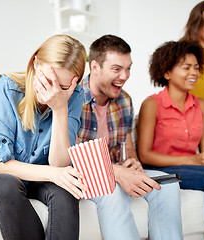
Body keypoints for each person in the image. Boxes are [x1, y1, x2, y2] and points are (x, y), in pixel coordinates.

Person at [0, 34, 88, 240]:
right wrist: (53, 174)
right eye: (49, 81)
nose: (53, 92)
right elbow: (1, 165)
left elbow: (59, 164)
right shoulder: (8, 87)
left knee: (66, 191)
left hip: (41, 176)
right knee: (8, 184)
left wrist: (60, 108)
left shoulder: (75, 96)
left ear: (74, 84)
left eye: (62, 88)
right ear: (35, 63)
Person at [77, 34, 183, 240]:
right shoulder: (73, 98)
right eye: (117, 69)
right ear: (95, 67)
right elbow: (68, 159)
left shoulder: (124, 100)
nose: (125, 76)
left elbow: (127, 148)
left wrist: (132, 164)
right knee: (112, 189)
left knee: (167, 185)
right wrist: (112, 171)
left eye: (128, 69)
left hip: (115, 170)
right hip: (84, 175)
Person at [137, 40, 204, 240]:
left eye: (196, 67)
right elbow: (145, 155)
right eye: (186, 68)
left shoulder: (201, 105)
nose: (193, 73)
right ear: (167, 73)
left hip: (193, 169)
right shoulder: (152, 104)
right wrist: (194, 160)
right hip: (163, 170)